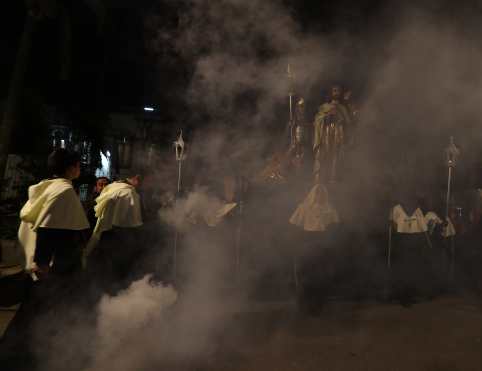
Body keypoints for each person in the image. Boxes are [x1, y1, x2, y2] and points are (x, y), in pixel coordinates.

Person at [1, 148, 90, 369]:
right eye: (78, 165)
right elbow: (49, 229)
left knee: (33, 315)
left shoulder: (45, 188)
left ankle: (19, 356)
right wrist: (42, 263)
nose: (79, 169)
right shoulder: (64, 192)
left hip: (44, 267)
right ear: (71, 168)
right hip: (54, 269)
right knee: (39, 317)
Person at [84, 172, 143, 293]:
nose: (104, 187)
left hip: (115, 246)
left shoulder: (119, 197)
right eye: (100, 185)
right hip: (100, 249)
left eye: (106, 184)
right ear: (96, 187)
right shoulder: (93, 206)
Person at [313, 85, 352, 183]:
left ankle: (333, 178)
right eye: (334, 91)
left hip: (338, 133)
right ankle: (322, 178)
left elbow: (348, 122)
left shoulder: (342, 108)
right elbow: (317, 120)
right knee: (325, 154)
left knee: (336, 156)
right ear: (331, 93)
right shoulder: (324, 106)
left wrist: (341, 118)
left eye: (338, 91)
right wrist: (327, 115)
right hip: (326, 133)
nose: (336, 93)